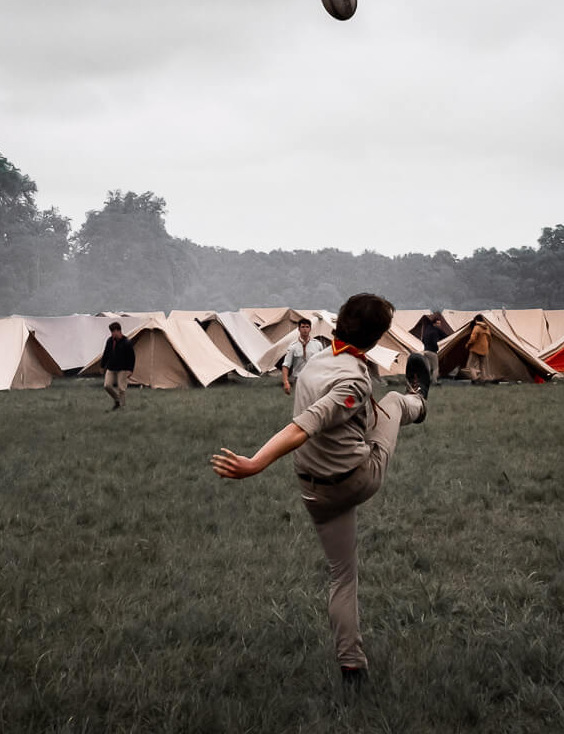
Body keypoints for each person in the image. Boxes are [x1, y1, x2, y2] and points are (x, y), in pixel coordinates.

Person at [211, 293, 428, 684]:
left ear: (339, 322)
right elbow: (304, 425)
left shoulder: (316, 362)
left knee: (342, 575)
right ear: (377, 339)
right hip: (355, 480)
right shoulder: (353, 380)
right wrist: (255, 463)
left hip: (313, 490)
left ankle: (352, 668)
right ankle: (420, 401)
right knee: (393, 401)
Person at [96, 321, 136, 410]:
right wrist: (102, 366)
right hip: (111, 368)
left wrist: (130, 370)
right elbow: (106, 353)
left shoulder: (127, 342)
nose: (112, 334)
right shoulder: (110, 341)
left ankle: (122, 407)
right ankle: (117, 399)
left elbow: (132, 357)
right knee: (107, 386)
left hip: (123, 369)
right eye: (111, 332)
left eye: (113, 332)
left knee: (121, 388)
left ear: (119, 331)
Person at [276, 317, 314, 393]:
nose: (305, 329)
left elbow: (322, 362)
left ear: (310, 329)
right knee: (300, 403)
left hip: (314, 379)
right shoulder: (293, 346)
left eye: (307, 327)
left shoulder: (317, 345)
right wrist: (285, 382)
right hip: (299, 379)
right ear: (299, 329)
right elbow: (286, 365)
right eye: (303, 327)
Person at [466, 315, 492, 384]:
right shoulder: (487, 328)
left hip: (475, 348)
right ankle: (483, 380)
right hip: (485, 349)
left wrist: (468, 344)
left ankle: (475, 379)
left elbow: (473, 339)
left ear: (476, 320)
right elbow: (489, 339)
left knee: (470, 365)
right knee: (482, 366)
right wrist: (488, 347)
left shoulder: (476, 327)